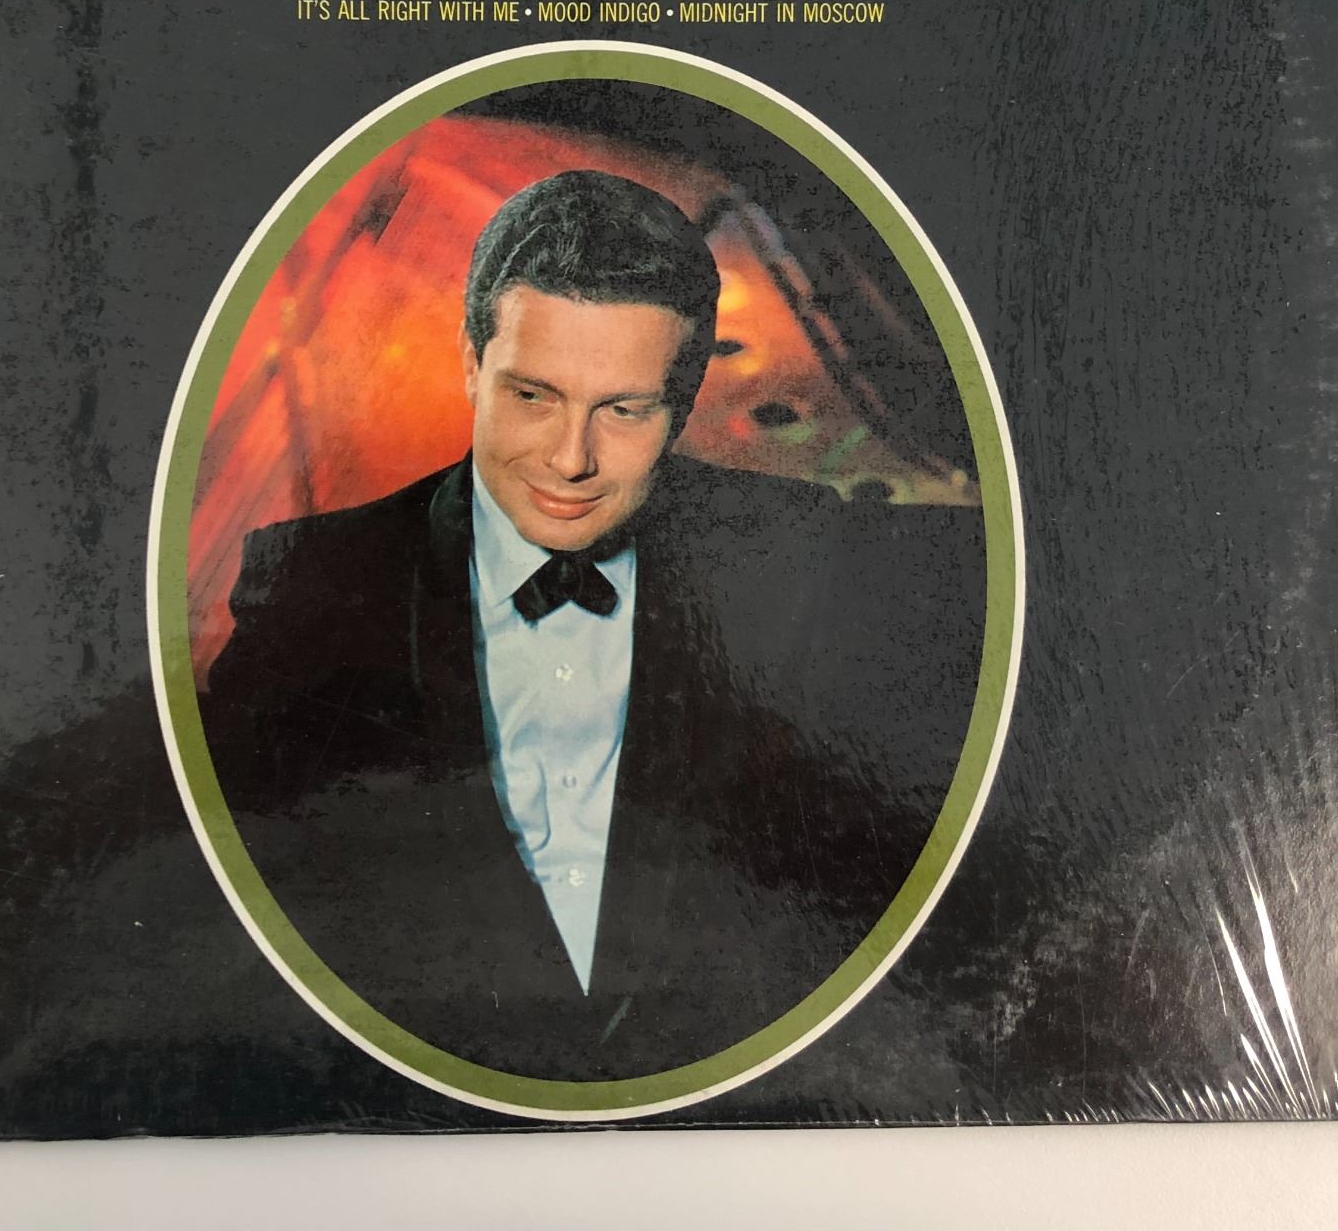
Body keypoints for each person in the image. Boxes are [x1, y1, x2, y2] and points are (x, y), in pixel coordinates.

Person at [201, 169, 985, 1080]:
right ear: (471, 365)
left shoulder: (812, 553)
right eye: (532, 396)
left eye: (624, 409)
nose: (569, 461)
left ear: (682, 403)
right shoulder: (307, 588)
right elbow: (227, 937)